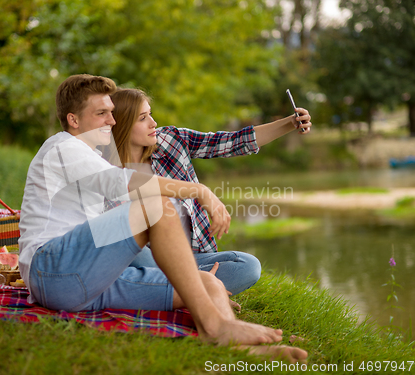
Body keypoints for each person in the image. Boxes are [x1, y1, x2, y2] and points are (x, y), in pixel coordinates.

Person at [18, 74, 307, 362]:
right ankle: (217, 326)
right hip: (52, 271)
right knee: (155, 206)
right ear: (74, 120)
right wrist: (200, 190)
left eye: (111, 112)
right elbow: (128, 183)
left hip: (93, 283)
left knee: (208, 284)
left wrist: (287, 123)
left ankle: (235, 343)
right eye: (102, 113)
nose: (112, 120)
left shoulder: (102, 153)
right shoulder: (64, 148)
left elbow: (226, 142)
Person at [107, 88, 312, 295]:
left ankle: (179, 291)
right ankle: (197, 291)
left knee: (247, 265)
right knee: (129, 244)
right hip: (147, 261)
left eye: (150, 113)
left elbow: (232, 142)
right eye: (143, 118)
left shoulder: (171, 140)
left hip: (192, 258)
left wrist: (290, 123)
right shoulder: (105, 170)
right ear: (122, 125)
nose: (153, 123)